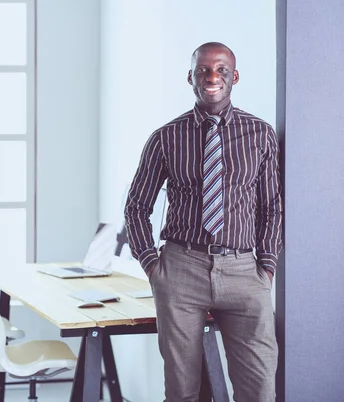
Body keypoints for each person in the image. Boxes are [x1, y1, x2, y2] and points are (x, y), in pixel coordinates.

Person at [124, 42, 282, 402]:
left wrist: (267, 267)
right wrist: (153, 266)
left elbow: (272, 207)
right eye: (203, 70)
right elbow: (136, 207)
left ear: (235, 76)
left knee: (259, 388)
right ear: (190, 78)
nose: (212, 77)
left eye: (221, 70)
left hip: (245, 273)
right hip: (181, 272)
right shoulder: (166, 138)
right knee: (182, 391)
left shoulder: (260, 134)